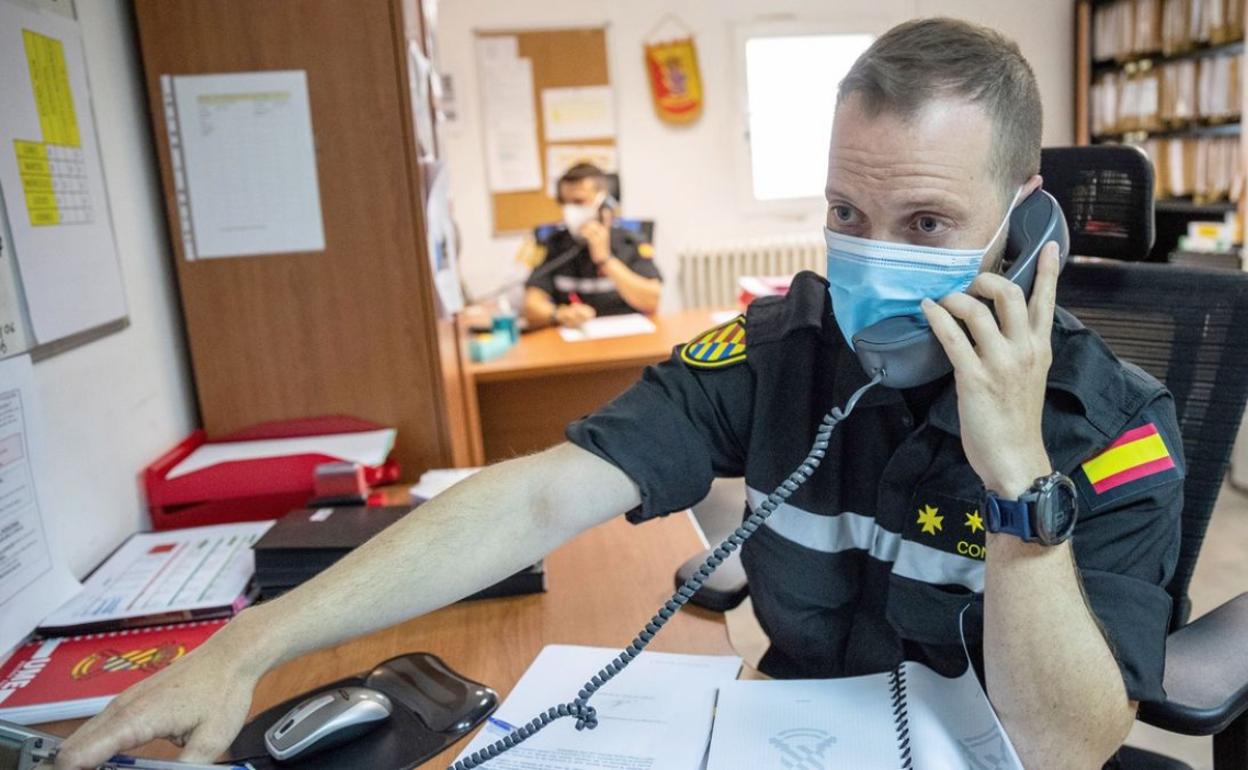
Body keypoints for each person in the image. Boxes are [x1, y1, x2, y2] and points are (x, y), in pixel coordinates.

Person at [56, 18, 1180, 770]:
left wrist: (1018, 479)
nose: (872, 258)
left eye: (925, 224)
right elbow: (539, 498)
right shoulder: (781, 349)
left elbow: (1069, 744)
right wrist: (249, 641)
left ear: (1023, 225)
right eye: (846, 213)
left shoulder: (1118, 428)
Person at [521, 163, 662, 329]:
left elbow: (651, 300)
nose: (570, 210)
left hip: (626, 339)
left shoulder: (631, 241)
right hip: (575, 340)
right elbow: (531, 305)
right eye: (565, 203)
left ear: (605, 205)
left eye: (578, 201)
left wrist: (605, 260)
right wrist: (558, 313)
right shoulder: (554, 244)